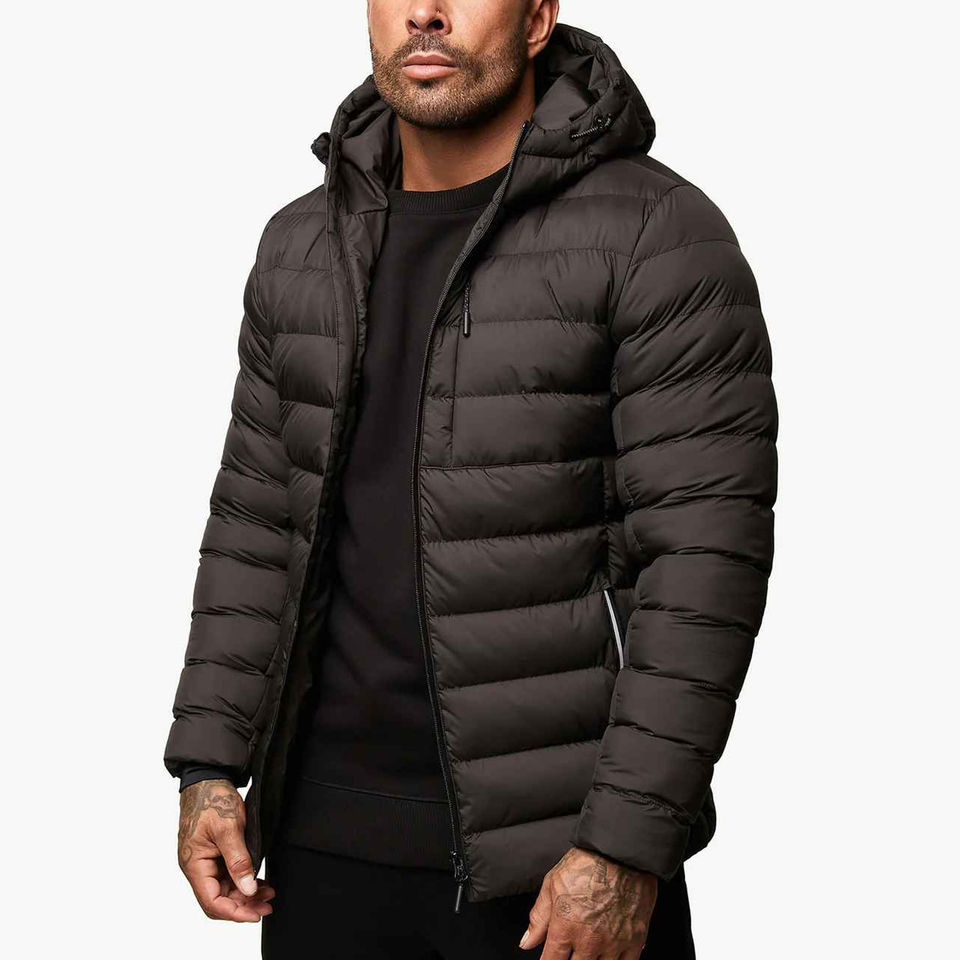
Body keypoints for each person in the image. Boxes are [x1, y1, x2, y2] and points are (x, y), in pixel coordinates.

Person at [165, 2, 778, 957]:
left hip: (555, 864)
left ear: (537, 19)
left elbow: (704, 570)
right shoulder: (299, 244)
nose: (426, 12)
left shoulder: (656, 234)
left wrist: (624, 844)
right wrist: (209, 763)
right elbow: (253, 518)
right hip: (321, 846)